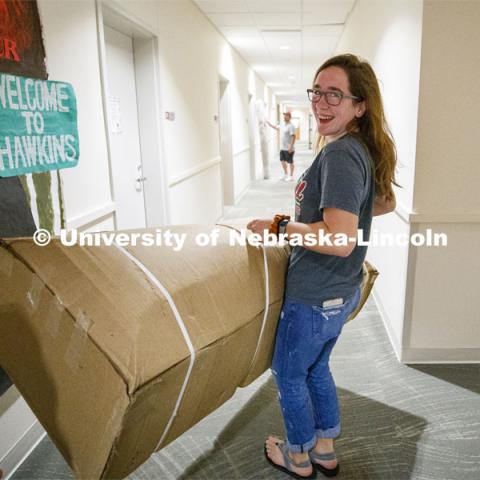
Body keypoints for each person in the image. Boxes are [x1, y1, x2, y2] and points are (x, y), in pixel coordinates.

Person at [247, 53, 397, 479]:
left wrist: (280, 225)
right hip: (339, 291)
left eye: (335, 94)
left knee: (289, 374)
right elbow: (383, 203)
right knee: (317, 368)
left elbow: (338, 239)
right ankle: (325, 451)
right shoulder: (360, 150)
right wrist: (340, 213)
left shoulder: (341, 156)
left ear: (359, 105)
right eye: (317, 92)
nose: (321, 103)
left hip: (314, 294)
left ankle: (297, 457)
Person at [267, 112, 296, 181]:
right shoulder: (282, 124)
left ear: (289, 117)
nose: (284, 117)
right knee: (282, 161)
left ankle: (291, 176)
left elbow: (293, 136)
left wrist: (291, 147)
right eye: (284, 116)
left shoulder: (291, 126)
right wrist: (268, 124)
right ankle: (285, 174)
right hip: (282, 147)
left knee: (290, 162)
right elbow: (276, 127)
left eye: (286, 116)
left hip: (289, 148)